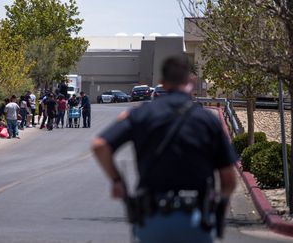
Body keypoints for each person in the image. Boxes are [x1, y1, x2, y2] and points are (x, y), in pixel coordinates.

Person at [92, 55, 237, 243]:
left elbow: (100, 145)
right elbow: (229, 180)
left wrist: (117, 180)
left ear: (162, 83)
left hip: (152, 220)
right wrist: (218, 204)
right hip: (195, 220)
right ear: (191, 81)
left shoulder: (141, 114)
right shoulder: (207, 120)